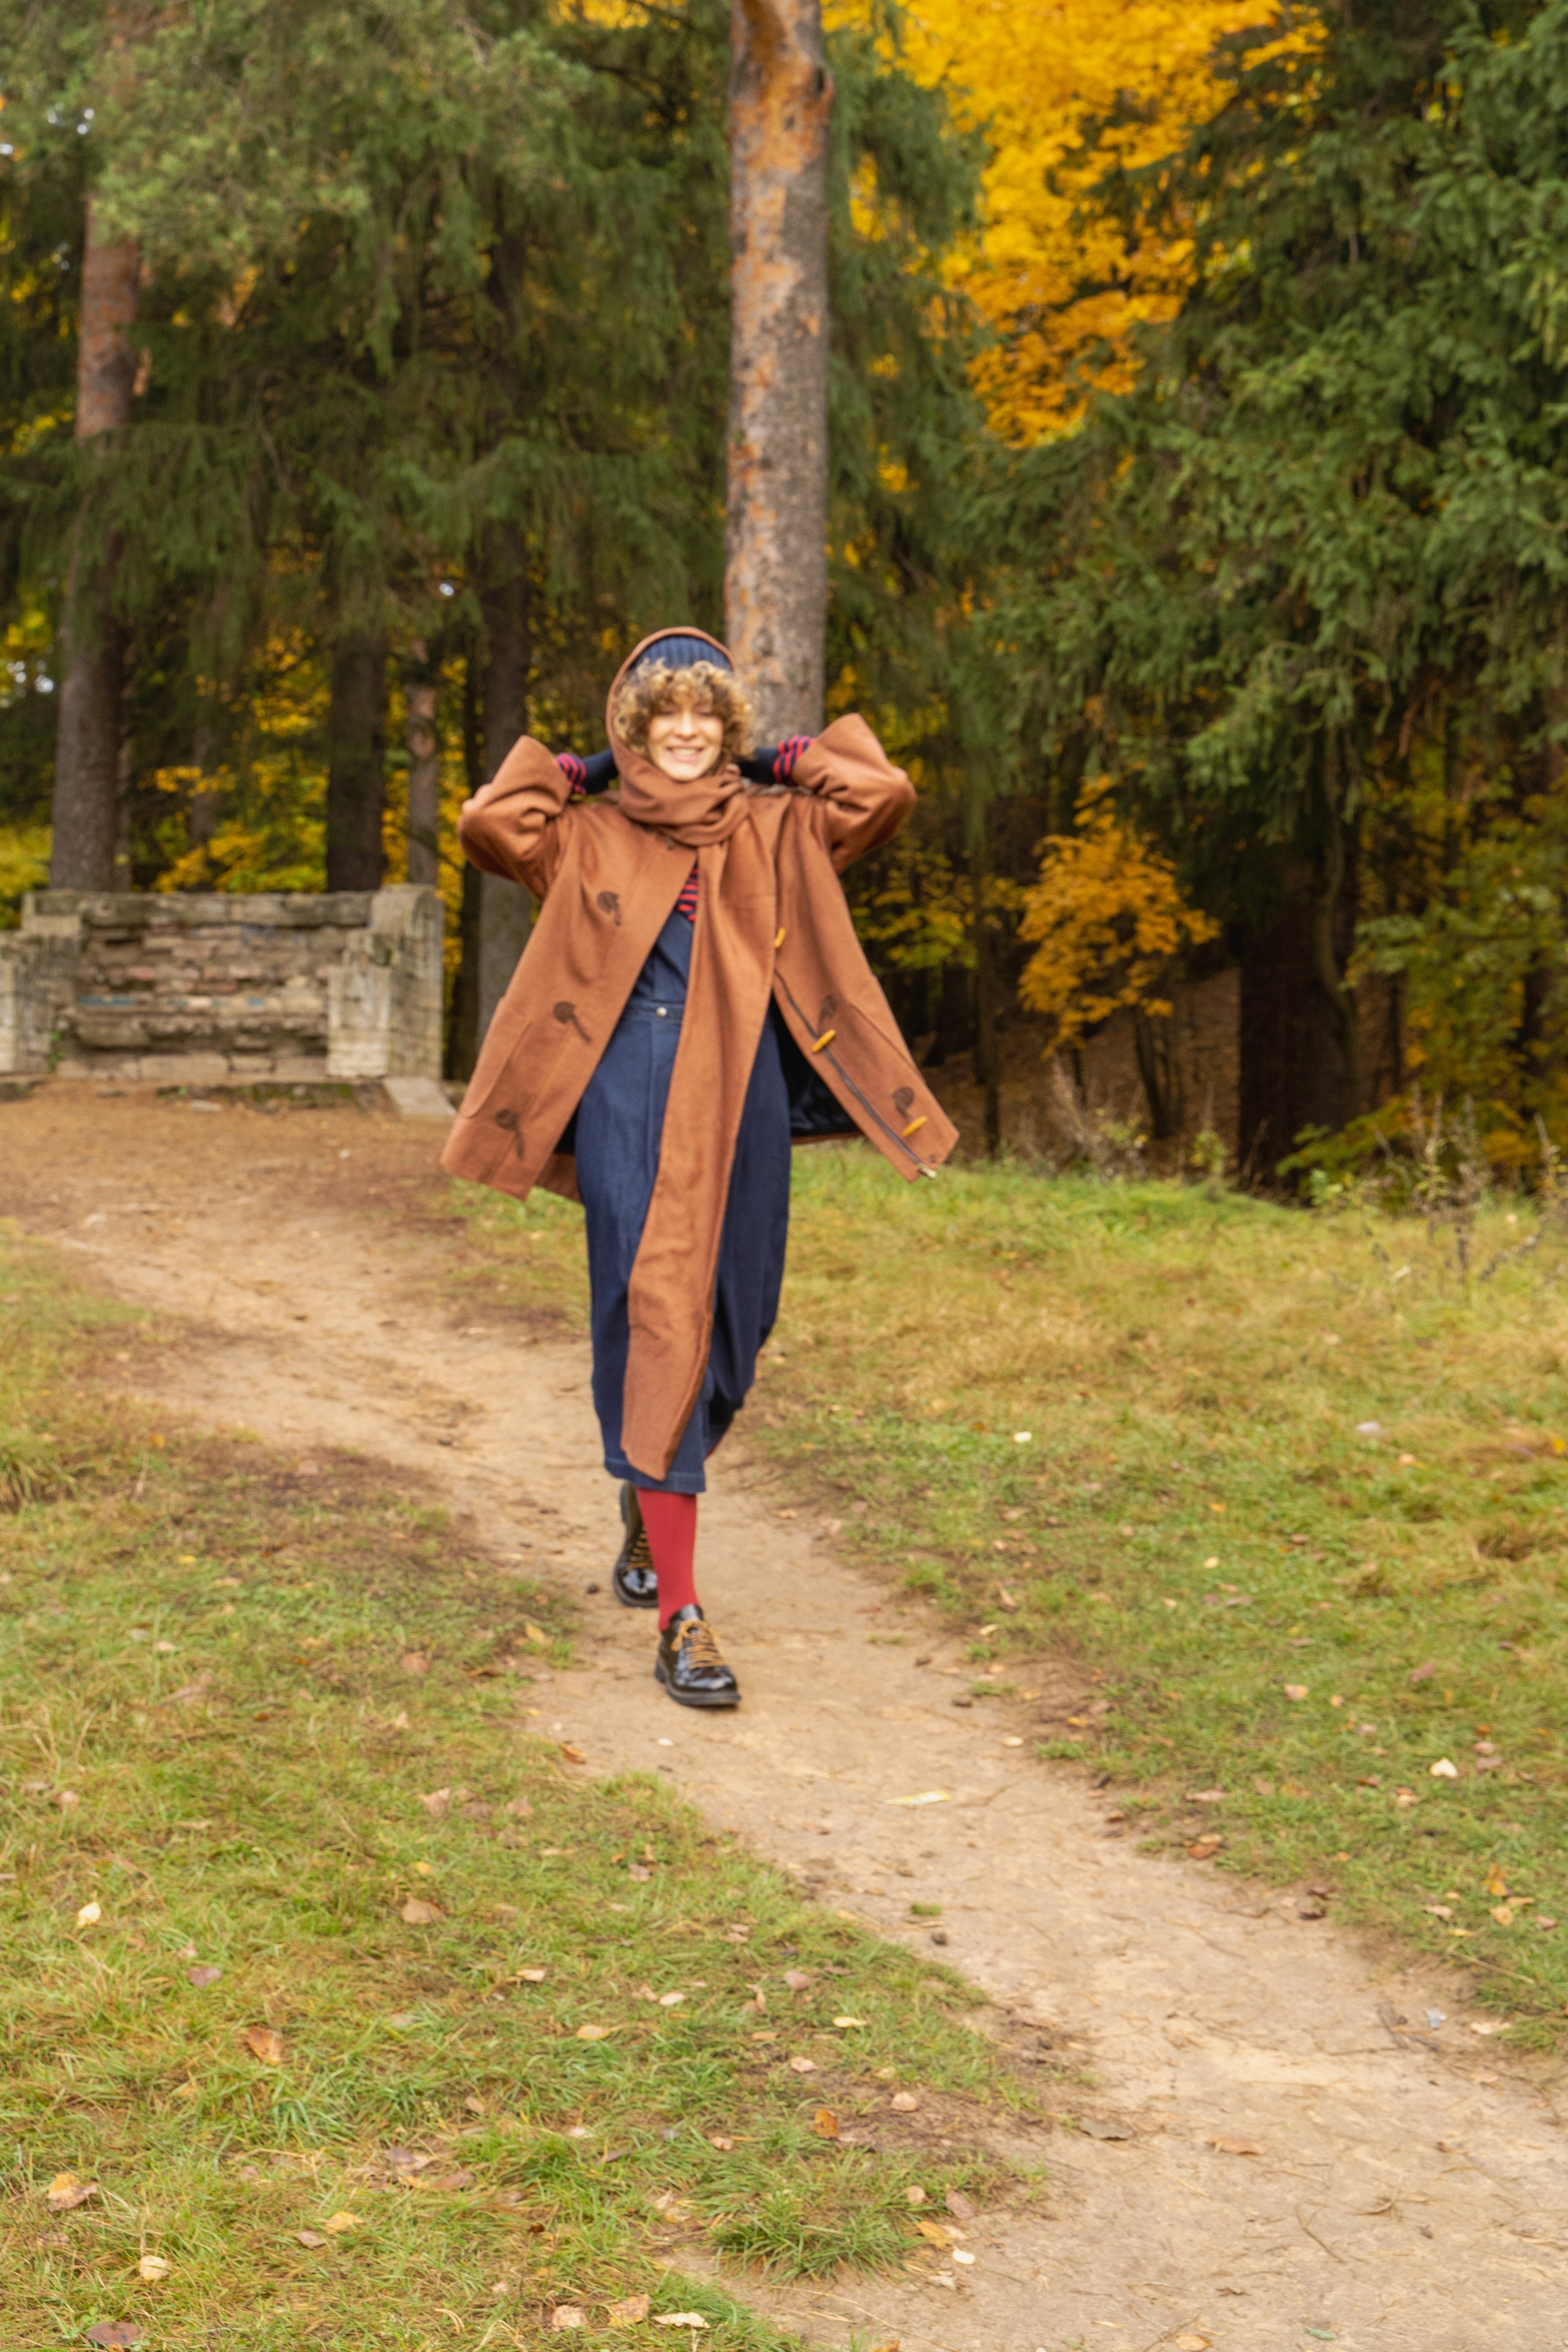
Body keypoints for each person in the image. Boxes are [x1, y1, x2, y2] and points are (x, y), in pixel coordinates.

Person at [442, 628, 956, 1708]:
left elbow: (882, 794)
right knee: (661, 1318)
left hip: (745, 1090)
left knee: (738, 1320)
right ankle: (681, 1614)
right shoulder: (584, 835)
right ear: (634, 727)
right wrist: (586, 766)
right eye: (663, 714)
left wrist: (778, 759)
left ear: (728, 728)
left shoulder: (777, 825)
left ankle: (647, 1484)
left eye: (705, 715)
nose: (685, 732)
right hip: (630, 1097)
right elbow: (491, 821)